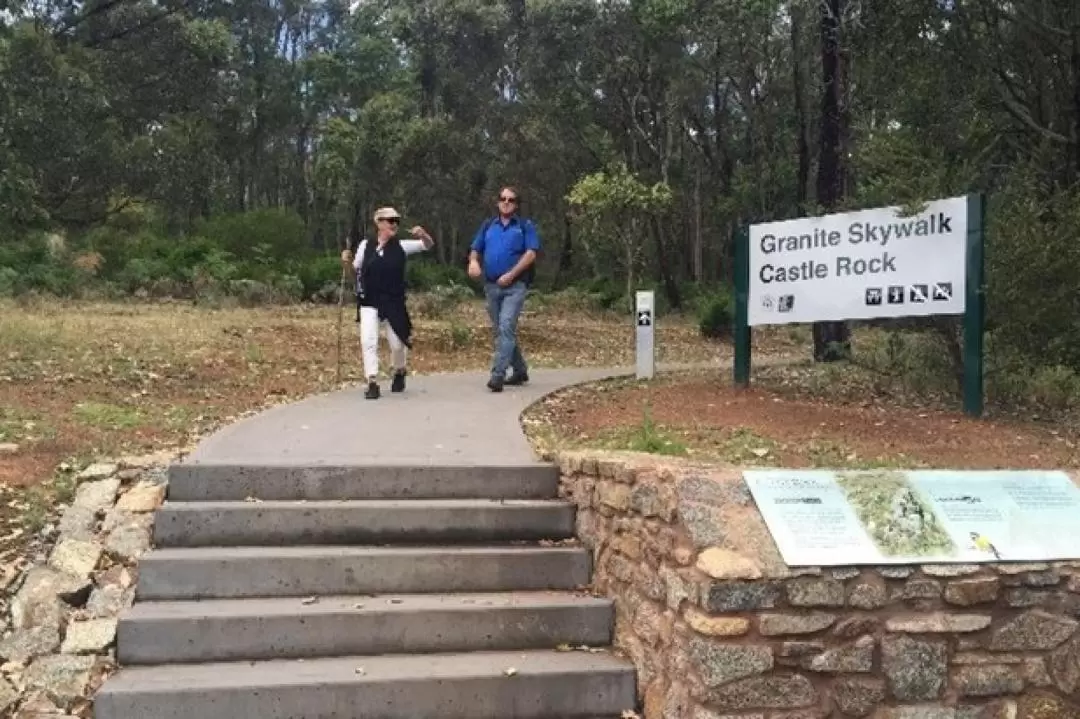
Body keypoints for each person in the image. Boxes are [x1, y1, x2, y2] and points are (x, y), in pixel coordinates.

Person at [340, 206, 434, 399]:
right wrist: (346, 263)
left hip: (393, 302)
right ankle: (372, 381)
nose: (394, 224)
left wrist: (423, 234)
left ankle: (399, 370)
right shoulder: (365, 246)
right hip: (369, 301)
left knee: (397, 344)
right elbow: (354, 273)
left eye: (396, 221)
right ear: (379, 222)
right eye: (390, 220)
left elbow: (427, 245)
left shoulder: (402, 246)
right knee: (368, 340)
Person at [467, 186, 540, 392]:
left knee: (506, 326)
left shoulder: (524, 226)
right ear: (498, 202)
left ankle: (497, 374)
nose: (506, 202)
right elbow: (475, 249)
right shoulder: (489, 225)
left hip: (515, 286)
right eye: (502, 199)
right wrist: (473, 262)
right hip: (491, 286)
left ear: (516, 204)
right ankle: (520, 369)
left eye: (511, 199)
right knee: (501, 330)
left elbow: (531, 253)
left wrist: (512, 274)